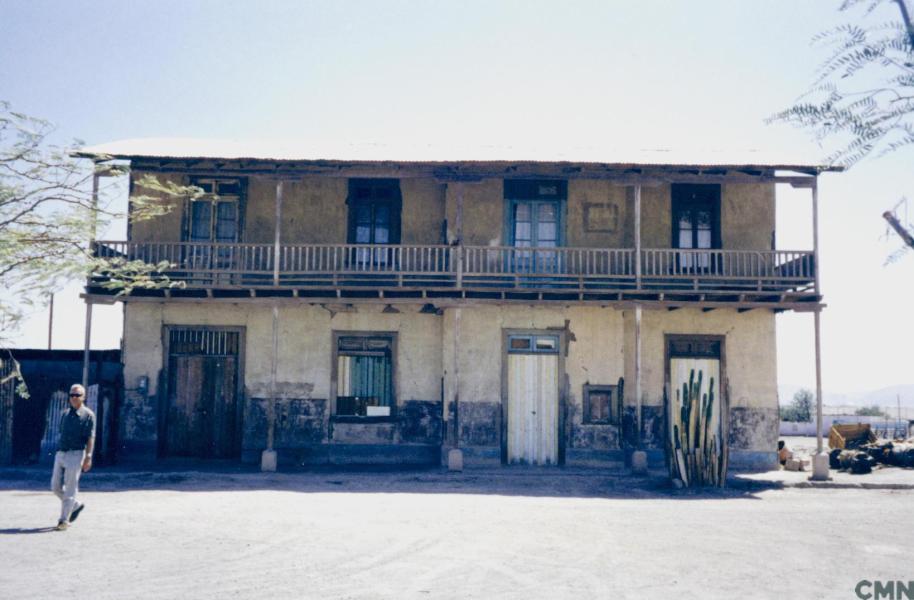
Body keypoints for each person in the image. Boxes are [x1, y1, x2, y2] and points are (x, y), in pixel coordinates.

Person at [51, 383, 96, 531]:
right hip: (61, 453)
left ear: (83, 397)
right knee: (55, 487)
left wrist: (88, 456)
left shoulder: (88, 415)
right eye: (72, 395)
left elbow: (90, 437)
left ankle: (64, 520)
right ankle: (75, 505)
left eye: (77, 395)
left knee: (70, 487)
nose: (74, 398)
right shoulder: (65, 413)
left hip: (75, 454)